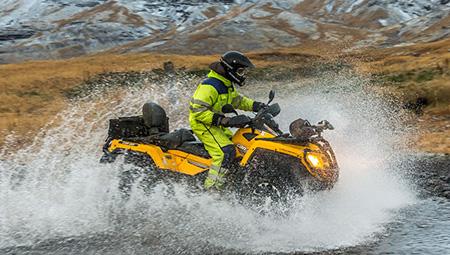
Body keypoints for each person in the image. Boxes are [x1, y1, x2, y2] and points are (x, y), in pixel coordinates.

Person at [189, 51, 266, 190]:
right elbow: (197, 111)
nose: (243, 75)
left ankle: (231, 182)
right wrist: (224, 121)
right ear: (230, 69)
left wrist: (256, 105)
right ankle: (212, 189)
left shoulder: (225, 84)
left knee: (239, 145)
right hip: (203, 124)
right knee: (225, 152)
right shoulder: (210, 86)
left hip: (215, 123)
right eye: (241, 71)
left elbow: (238, 100)